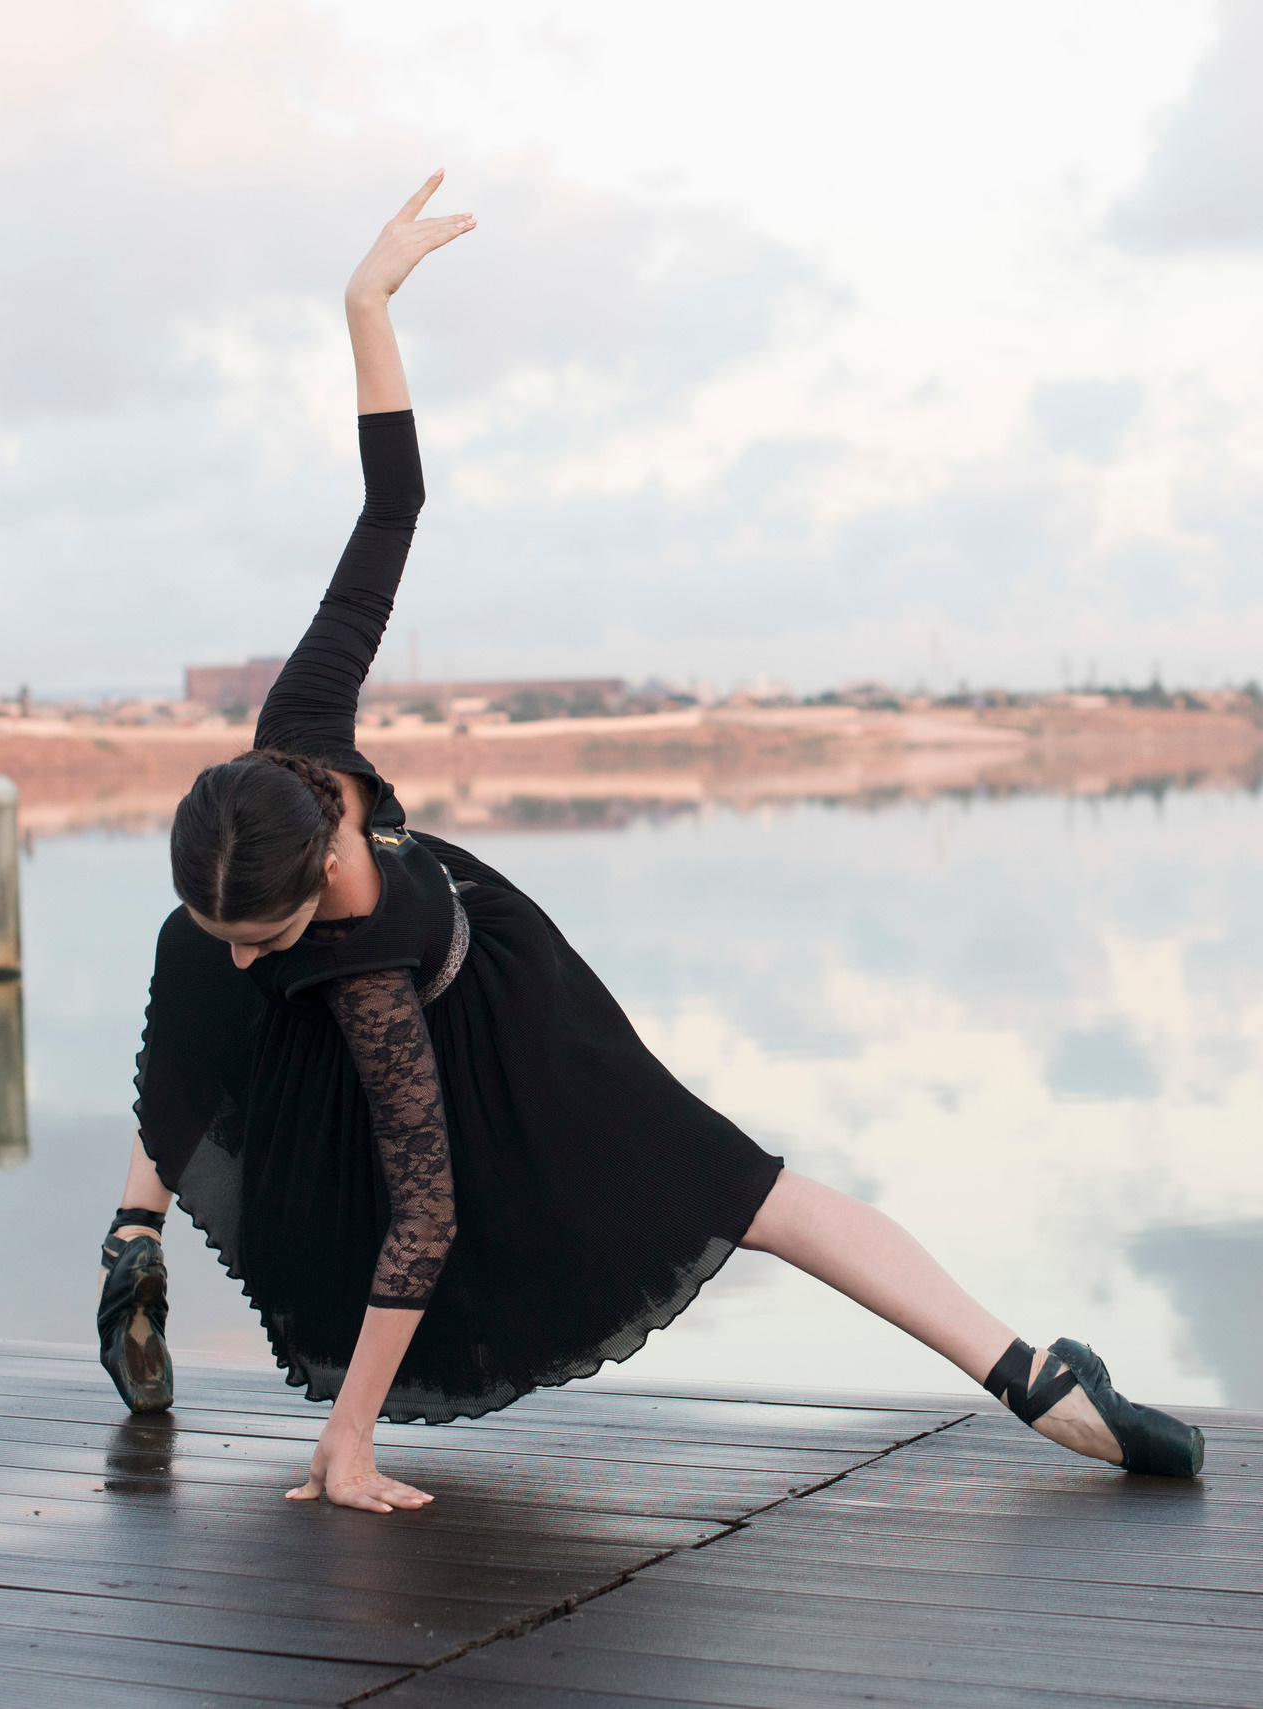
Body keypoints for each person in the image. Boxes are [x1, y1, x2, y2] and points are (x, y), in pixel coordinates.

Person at [96, 173, 1203, 1513]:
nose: (246, 946)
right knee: (202, 950)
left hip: (487, 1017)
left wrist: (349, 1434)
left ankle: (134, 1219)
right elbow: (390, 509)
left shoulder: (359, 960)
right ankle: (1039, 1377)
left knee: (736, 1186)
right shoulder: (297, 742)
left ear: (311, 854)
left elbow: (426, 1213)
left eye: (264, 927)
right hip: (460, 951)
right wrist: (365, 303)